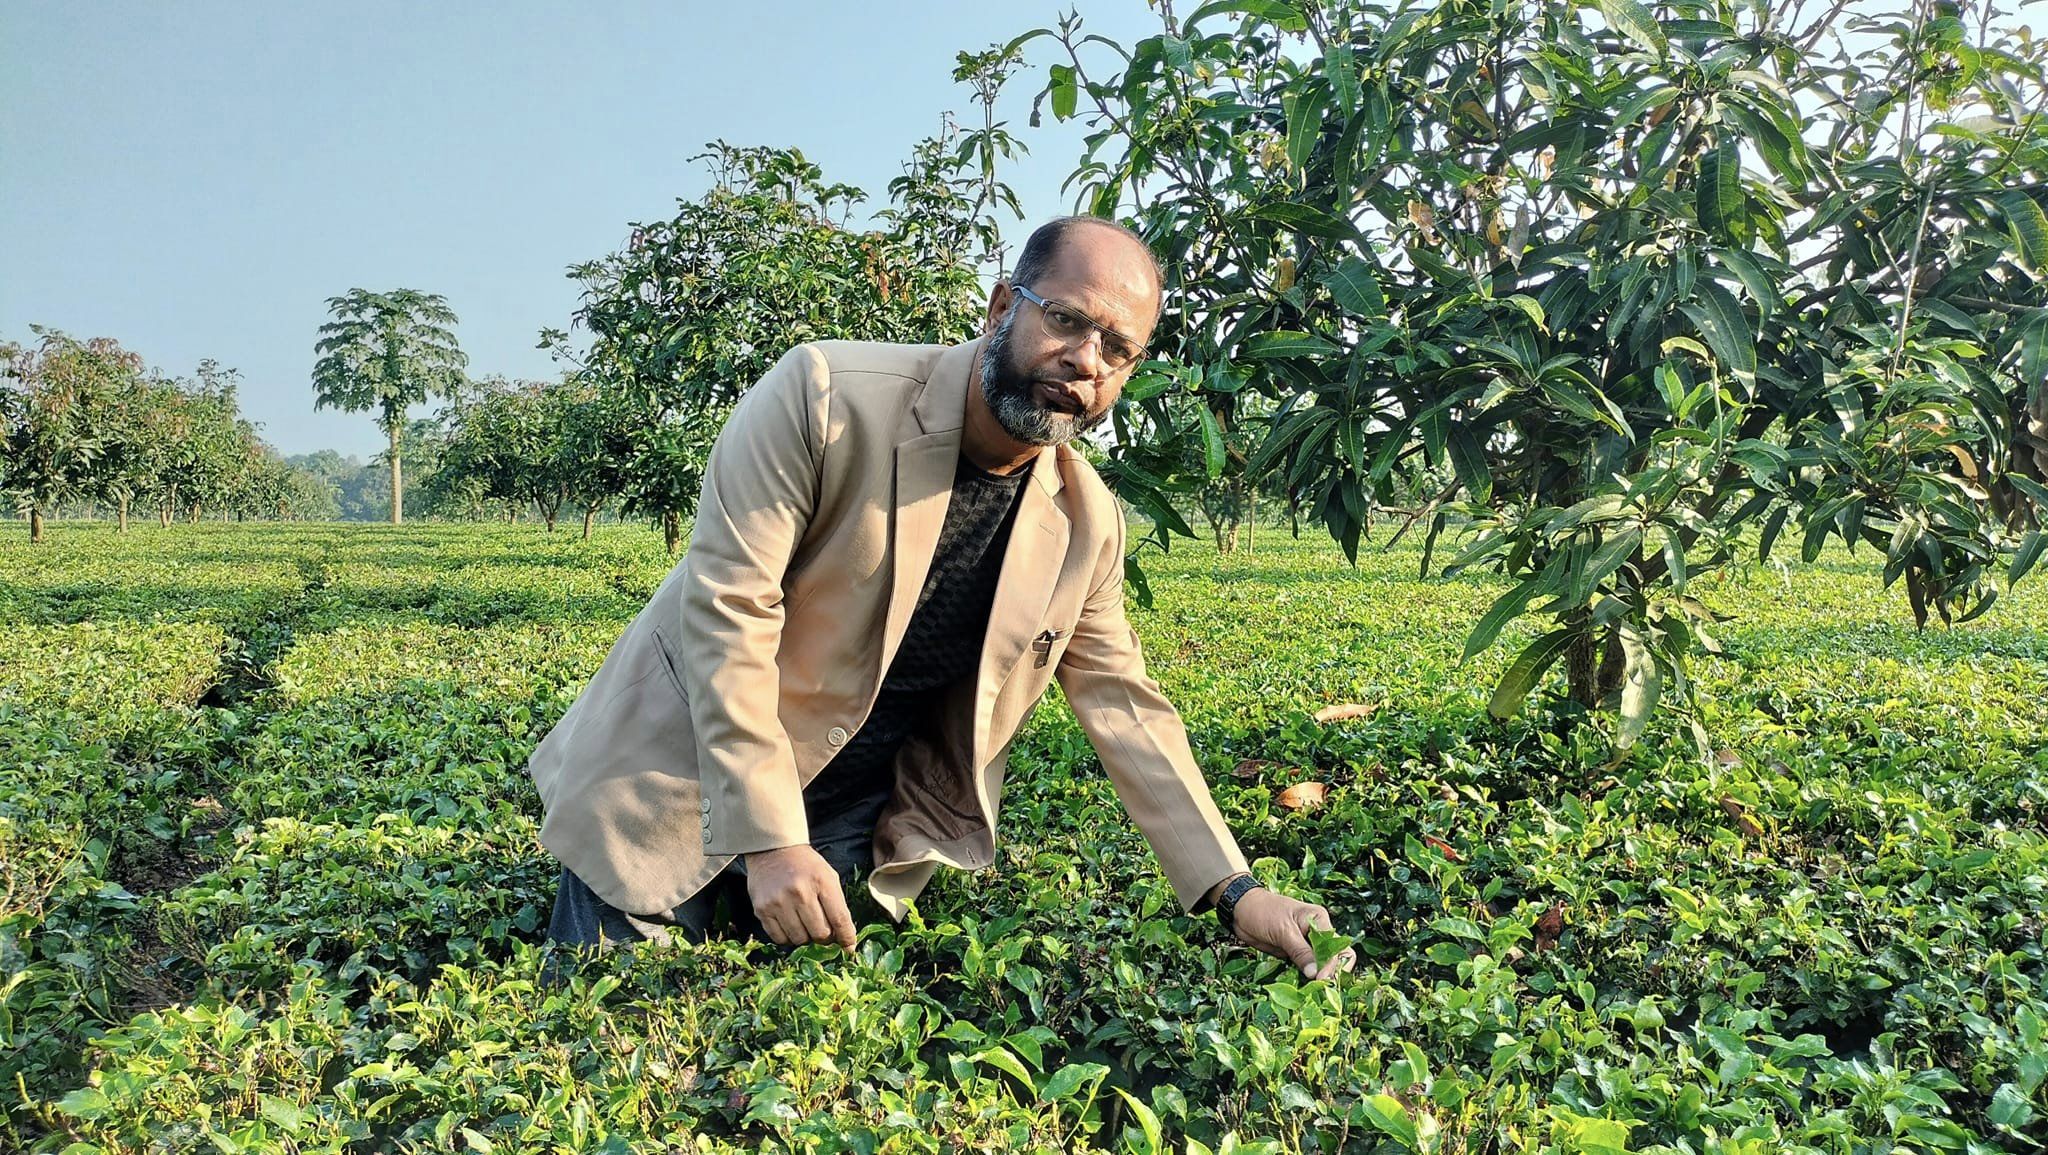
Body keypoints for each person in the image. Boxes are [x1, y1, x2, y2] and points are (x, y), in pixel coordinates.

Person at [533, 216, 1355, 980]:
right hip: (680, 772)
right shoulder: (824, 398)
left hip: (849, 815)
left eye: (1119, 348)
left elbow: (1125, 705)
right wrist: (772, 838)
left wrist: (1238, 891)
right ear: (1003, 306)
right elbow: (729, 613)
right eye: (1067, 320)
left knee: (806, 1046)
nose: (1087, 361)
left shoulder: (1086, 520)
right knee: (620, 1009)